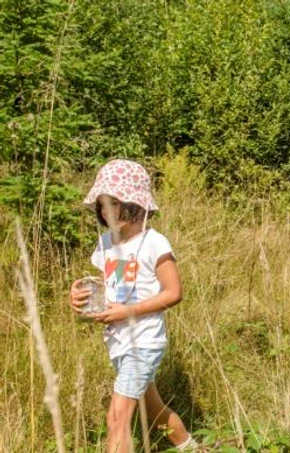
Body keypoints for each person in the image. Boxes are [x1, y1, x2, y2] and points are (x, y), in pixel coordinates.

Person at [69, 160, 196, 452]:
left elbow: (174, 292)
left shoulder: (154, 243)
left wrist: (127, 312)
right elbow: (106, 288)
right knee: (153, 408)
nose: (106, 211)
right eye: (102, 205)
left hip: (144, 342)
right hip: (118, 342)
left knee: (117, 418)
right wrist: (79, 295)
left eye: (114, 203)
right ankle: (191, 448)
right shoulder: (105, 244)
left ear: (135, 202)